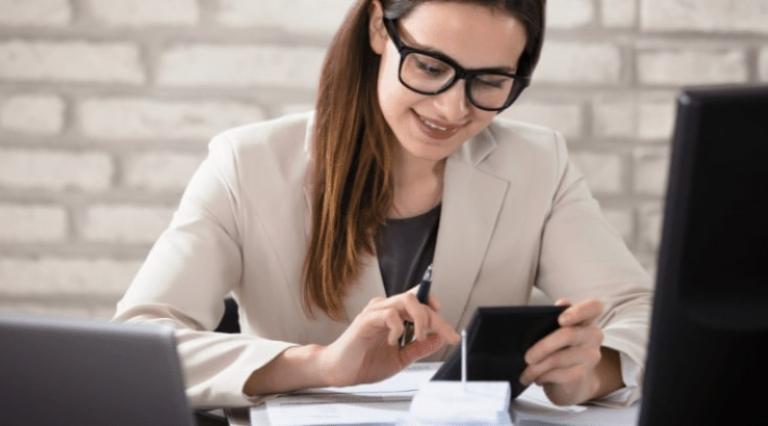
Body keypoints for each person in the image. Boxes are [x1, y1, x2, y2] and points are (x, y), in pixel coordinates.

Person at [114, 0, 651, 409]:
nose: (452, 108)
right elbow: (138, 346)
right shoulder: (246, 164)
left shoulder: (539, 163)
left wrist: (594, 371)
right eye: (430, 66)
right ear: (378, 28)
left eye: (489, 81)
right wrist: (321, 365)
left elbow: (642, 316)